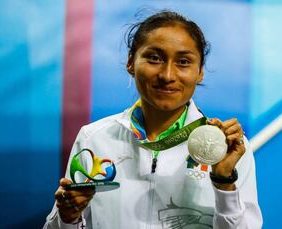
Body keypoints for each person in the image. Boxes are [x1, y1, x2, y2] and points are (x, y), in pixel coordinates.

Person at [44, 10, 262, 229]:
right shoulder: (95, 138)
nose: (167, 75)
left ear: (200, 72)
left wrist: (224, 181)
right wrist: (68, 217)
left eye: (184, 61)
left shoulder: (228, 148)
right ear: (131, 62)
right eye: (154, 58)